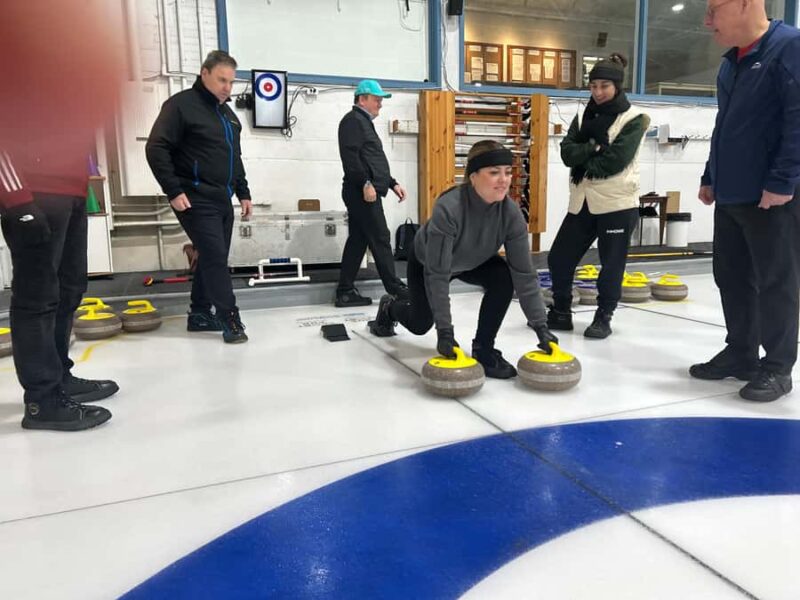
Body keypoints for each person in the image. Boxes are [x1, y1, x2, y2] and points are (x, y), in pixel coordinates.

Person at [0, 0, 122, 431]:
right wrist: (16, 198)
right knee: (37, 299)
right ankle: (42, 400)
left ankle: (60, 377)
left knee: (70, 289)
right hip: (31, 193)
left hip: (70, 191)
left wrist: (87, 180)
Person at [368, 140, 557, 379]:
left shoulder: (511, 214)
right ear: (474, 176)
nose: (504, 179)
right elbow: (438, 274)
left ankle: (484, 350)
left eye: (508, 172)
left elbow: (524, 274)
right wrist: (445, 333)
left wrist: (541, 328)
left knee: (504, 278)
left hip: (474, 260)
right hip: (429, 261)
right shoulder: (449, 208)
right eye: (494, 172)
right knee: (419, 324)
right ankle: (390, 308)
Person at [690, 1, 800, 402]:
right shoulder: (730, 62)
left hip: (773, 196)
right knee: (731, 277)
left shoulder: (789, 47)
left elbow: (797, 120)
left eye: (712, 10)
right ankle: (741, 354)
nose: (706, 21)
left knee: (776, 282)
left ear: (744, 4)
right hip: (731, 193)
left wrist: (783, 180)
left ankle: (777, 366)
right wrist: (710, 175)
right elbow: (725, 124)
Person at [146, 50, 252, 344]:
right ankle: (229, 317)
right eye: (221, 80)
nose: (227, 88)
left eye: (231, 82)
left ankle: (200, 314)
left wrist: (243, 193)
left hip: (222, 198)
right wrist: (174, 190)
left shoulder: (229, 116)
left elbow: (236, 158)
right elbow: (156, 148)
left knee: (212, 255)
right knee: (216, 258)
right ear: (204, 73)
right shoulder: (180, 106)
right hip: (193, 197)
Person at [547, 53, 650, 339]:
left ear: (617, 86)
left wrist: (587, 156)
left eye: (604, 86)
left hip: (616, 204)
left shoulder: (635, 118)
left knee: (611, 265)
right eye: (593, 86)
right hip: (582, 203)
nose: (598, 92)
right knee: (559, 258)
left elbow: (614, 162)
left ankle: (603, 317)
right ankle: (561, 312)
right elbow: (568, 153)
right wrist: (594, 148)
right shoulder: (582, 116)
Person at [335, 79, 408, 308]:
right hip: (361, 191)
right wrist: (366, 183)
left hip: (367, 189)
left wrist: (391, 183)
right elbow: (351, 157)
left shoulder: (362, 121)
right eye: (377, 100)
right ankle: (396, 289)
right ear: (362, 99)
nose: (380, 105)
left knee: (359, 240)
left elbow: (372, 160)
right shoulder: (353, 121)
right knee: (380, 236)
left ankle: (345, 291)